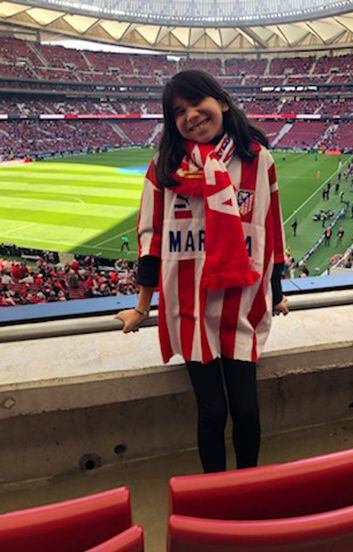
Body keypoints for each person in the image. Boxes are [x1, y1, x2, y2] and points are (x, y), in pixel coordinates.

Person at [115, 70, 288, 474]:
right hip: (189, 309)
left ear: (222, 102)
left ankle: (246, 485)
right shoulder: (165, 168)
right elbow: (150, 239)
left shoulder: (258, 160)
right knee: (212, 410)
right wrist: (141, 307)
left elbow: (272, 229)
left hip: (241, 306)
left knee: (245, 409)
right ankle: (216, 492)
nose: (191, 115)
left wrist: (276, 293)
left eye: (197, 103)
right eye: (179, 111)